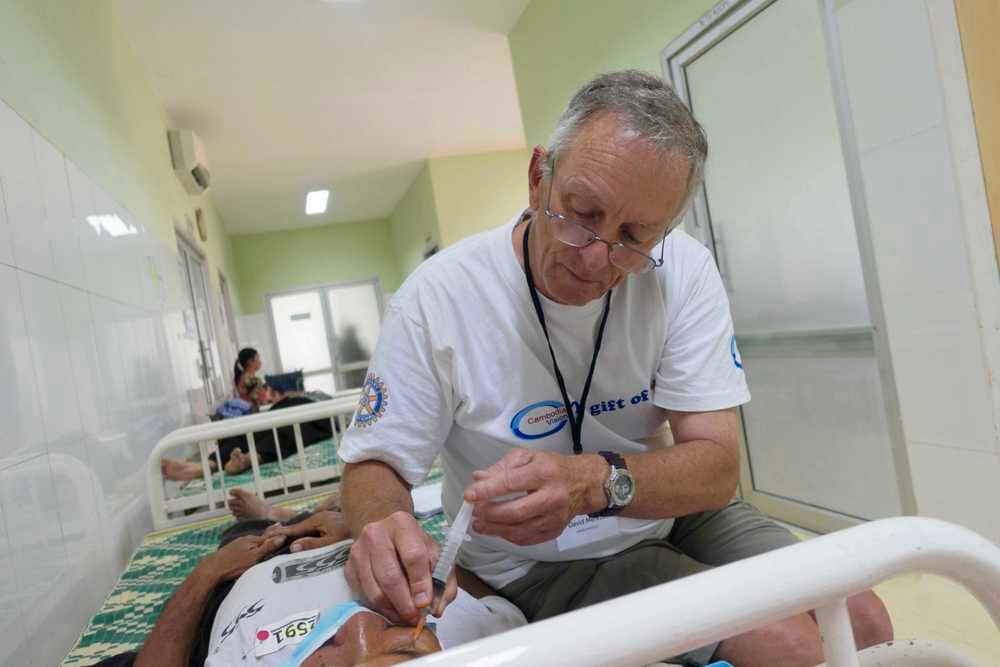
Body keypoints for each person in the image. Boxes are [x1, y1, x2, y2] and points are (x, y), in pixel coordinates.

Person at [336, 70, 893, 666]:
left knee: (862, 619)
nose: (596, 257)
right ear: (538, 178)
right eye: (581, 214)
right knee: (795, 649)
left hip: (668, 512)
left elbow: (716, 468)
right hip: (537, 560)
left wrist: (591, 484)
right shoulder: (438, 298)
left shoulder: (682, 270)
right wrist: (385, 524)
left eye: (634, 237)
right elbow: (376, 463)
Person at [89, 506, 525, 667]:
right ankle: (303, 515)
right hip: (346, 542)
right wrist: (369, 534)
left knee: (247, 534)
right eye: (404, 650)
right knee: (329, 516)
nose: (357, 628)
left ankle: (272, 518)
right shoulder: (496, 642)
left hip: (244, 579)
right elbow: (462, 578)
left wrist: (207, 573)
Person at [161, 383, 333, 482]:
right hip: (295, 407)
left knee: (285, 431)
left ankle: (227, 462)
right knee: (252, 429)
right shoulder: (315, 397)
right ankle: (208, 465)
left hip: (320, 414)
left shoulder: (330, 406)